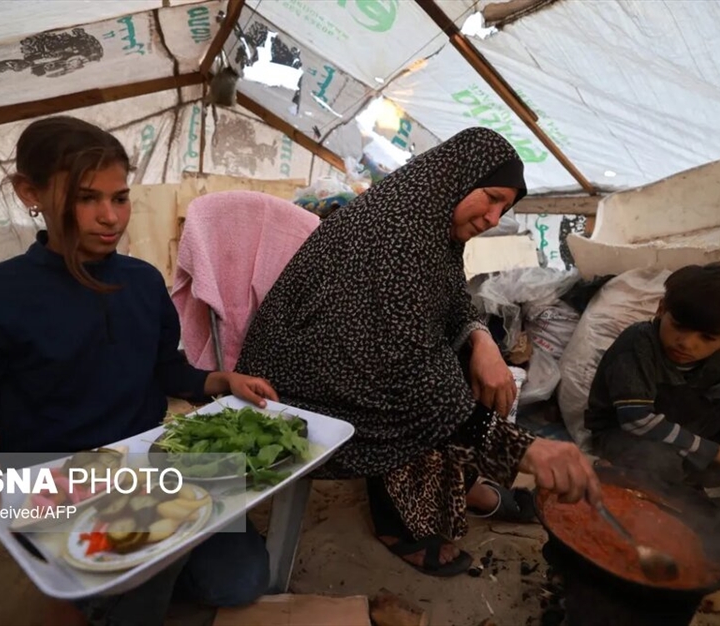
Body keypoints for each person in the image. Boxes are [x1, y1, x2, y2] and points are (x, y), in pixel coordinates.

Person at [0, 116, 278, 626]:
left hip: (153, 470)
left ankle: (114, 581)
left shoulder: (143, 281)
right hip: (58, 487)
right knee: (142, 577)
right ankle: (110, 581)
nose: (110, 217)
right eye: (87, 198)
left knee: (240, 580)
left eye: (120, 197)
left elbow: (167, 370)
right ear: (30, 192)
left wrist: (220, 381)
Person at [235, 127, 602, 577]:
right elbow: (406, 371)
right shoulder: (396, 235)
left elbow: (451, 299)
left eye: (504, 208)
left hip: (352, 354)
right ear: (456, 178)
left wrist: (481, 340)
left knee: (465, 358)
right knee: (424, 399)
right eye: (490, 198)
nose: (492, 217)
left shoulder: (430, 223)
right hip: (298, 378)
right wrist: (525, 449)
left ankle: (462, 486)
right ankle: (400, 527)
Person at [585, 263, 720, 491]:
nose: (686, 343)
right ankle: (656, 485)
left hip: (686, 420)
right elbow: (636, 420)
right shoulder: (637, 346)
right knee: (659, 460)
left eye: (707, 338)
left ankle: (685, 485)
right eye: (678, 327)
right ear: (662, 309)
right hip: (625, 434)